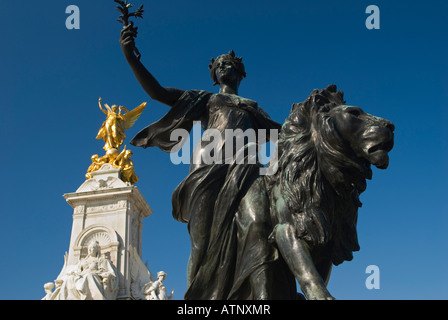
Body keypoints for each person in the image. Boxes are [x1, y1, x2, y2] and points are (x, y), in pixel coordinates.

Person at [120, 26, 295, 300]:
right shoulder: (208, 99)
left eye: (229, 64)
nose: (224, 66)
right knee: (201, 244)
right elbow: (158, 93)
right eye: (219, 65)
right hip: (207, 169)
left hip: (245, 170)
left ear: (239, 72)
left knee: (257, 224)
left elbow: (284, 134)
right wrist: (131, 58)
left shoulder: (252, 107)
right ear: (215, 76)